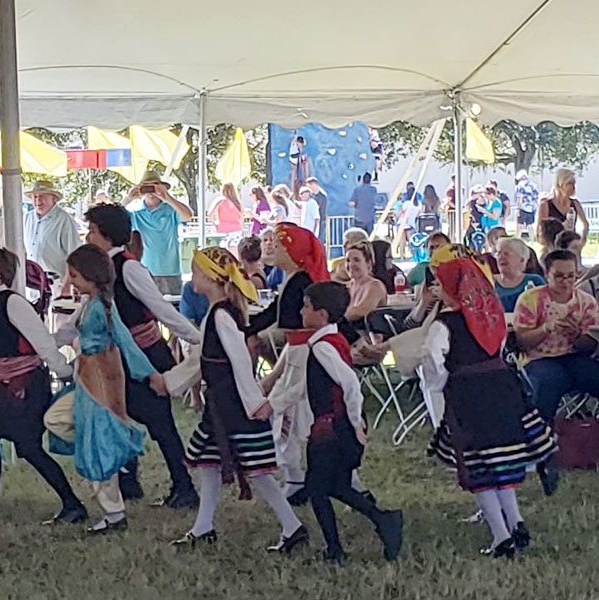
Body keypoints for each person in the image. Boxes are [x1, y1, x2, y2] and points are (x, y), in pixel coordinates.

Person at [165, 247, 309, 553]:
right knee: (209, 462)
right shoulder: (219, 313)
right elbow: (201, 359)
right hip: (221, 402)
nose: (193, 277)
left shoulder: (221, 315)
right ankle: (204, 527)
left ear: (210, 278)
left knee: (257, 470)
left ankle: (292, 525)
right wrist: (170, 383)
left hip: (233, 403)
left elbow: (240, 362)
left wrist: (254, 401)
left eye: (196, 271)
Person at [422, 244, 556, 558]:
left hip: (469, 396)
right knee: (503, 461)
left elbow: (432, 357)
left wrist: (440, 382)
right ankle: (516, 522)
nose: (436, 288)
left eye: (441, 283)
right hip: (503, 390)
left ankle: (501, 536)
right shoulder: (491, 314)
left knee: (479, 468)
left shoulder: (445, 323)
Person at [0, 248, 86, 525]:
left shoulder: (13, 303)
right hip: (8, 385)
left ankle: (72, 503)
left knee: (28, 447)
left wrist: (63, 371)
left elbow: (40, 342)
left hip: (24, 387)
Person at [83, 204, 200, 508]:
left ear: (107, 235)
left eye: (93, 231)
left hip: (146, 356)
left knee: (159, 423)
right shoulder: (102, 269)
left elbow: (160, 308)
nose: (87, 236)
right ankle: (130, 481)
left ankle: (184, 486)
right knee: (122, 416)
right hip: (119, 357)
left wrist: (198, 338)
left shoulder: (128, 267)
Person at [276, 281, 402, 563]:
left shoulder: (322, 347)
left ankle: (339, 546)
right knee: (334, 485)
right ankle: (379, 522)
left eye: (307, 306)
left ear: (321, 314)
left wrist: (356, 424)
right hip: (337, 425)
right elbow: (311, 386)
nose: (301, 311)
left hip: (331, 427)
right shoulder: (331, 341)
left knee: (318, 489)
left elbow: (350, 383)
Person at [44, 244, 165, 534]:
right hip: (87, 374)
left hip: (101, 378)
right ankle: (110, 456)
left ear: (90, 275)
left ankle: (113, 511)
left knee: (98, 441)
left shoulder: (103, 307)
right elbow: (69, 333)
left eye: (74, 275)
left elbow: (125, 341)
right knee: (58, 420)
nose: (70, 280)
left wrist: (149, 374)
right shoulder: (90, 303)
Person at [514, 250, 599, 425]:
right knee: (548, 383)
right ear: (546, 274)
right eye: (559, 276)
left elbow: (589, 346)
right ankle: (540, 436)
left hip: (575, 357)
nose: (566, 282)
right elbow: (522, 343)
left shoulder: (587, 301)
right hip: (538, 358)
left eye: (571, 276)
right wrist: (545, 328)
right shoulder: (529, 299)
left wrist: (576, 335)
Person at [247, 224, 330, 337]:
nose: (273, 250)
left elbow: (287, 323)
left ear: (290, 252)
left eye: (277, 247)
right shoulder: (294, 278)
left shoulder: (299, 282)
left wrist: (248, 330)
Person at [125, 171, 193, 295]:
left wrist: (167, 197)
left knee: (173, 310)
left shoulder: (171, 210)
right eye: (147, 187)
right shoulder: (137, 213)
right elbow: (113, 216)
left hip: (171, 272)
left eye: (154, 186)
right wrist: (128, 198)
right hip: (146, 272)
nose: (151, 191)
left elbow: (188, 215)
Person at [23, 179, 80, 282]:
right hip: (32, 283)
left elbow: (74, 256)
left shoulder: (64, 220)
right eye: (35, 197)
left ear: (53, 198)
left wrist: (67, 284)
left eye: (42, 196)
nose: (38, 200)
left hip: (56, 283)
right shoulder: (27, 218)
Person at [494, 237, 545, 313]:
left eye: (506, 254)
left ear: (522, 259)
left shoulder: (535, 281)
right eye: (498, 253)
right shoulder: (488, 281)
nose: (500, 257)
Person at [344, 242, 388, 323]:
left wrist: (333, 318)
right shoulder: (347, 286)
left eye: (356, 260)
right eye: (348, 260)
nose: (351, 264)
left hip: (369, 334)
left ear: (368, 263)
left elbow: (360, 311)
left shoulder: (375, 286)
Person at [538, 169, 588, 239]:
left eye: (574, 184)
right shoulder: (546, 205)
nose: (573, 187)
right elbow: (539, 233)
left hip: (570, 246)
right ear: (559, 185)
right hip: (552, 247)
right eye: (569, 184)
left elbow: (585, 224)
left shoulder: (575, 204)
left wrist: (581, 241)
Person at [394, 187, 421, 259]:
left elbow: (399, 214)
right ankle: (414, 255)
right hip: (411, 223)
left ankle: (402, 256)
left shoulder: (406, 203)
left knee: (402, 241)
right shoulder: (418, 204)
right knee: (412, 241)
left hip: (402, 223)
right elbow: (418, 215)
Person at [515, 170, 539, 239]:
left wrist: (518, 209)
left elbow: (520, 197)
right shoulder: (534, 185)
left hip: (523, 207)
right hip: (532, 208)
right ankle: (532, 240)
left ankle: (517, 239)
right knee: (530, 225)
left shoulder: (520, 186)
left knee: (520, 225)